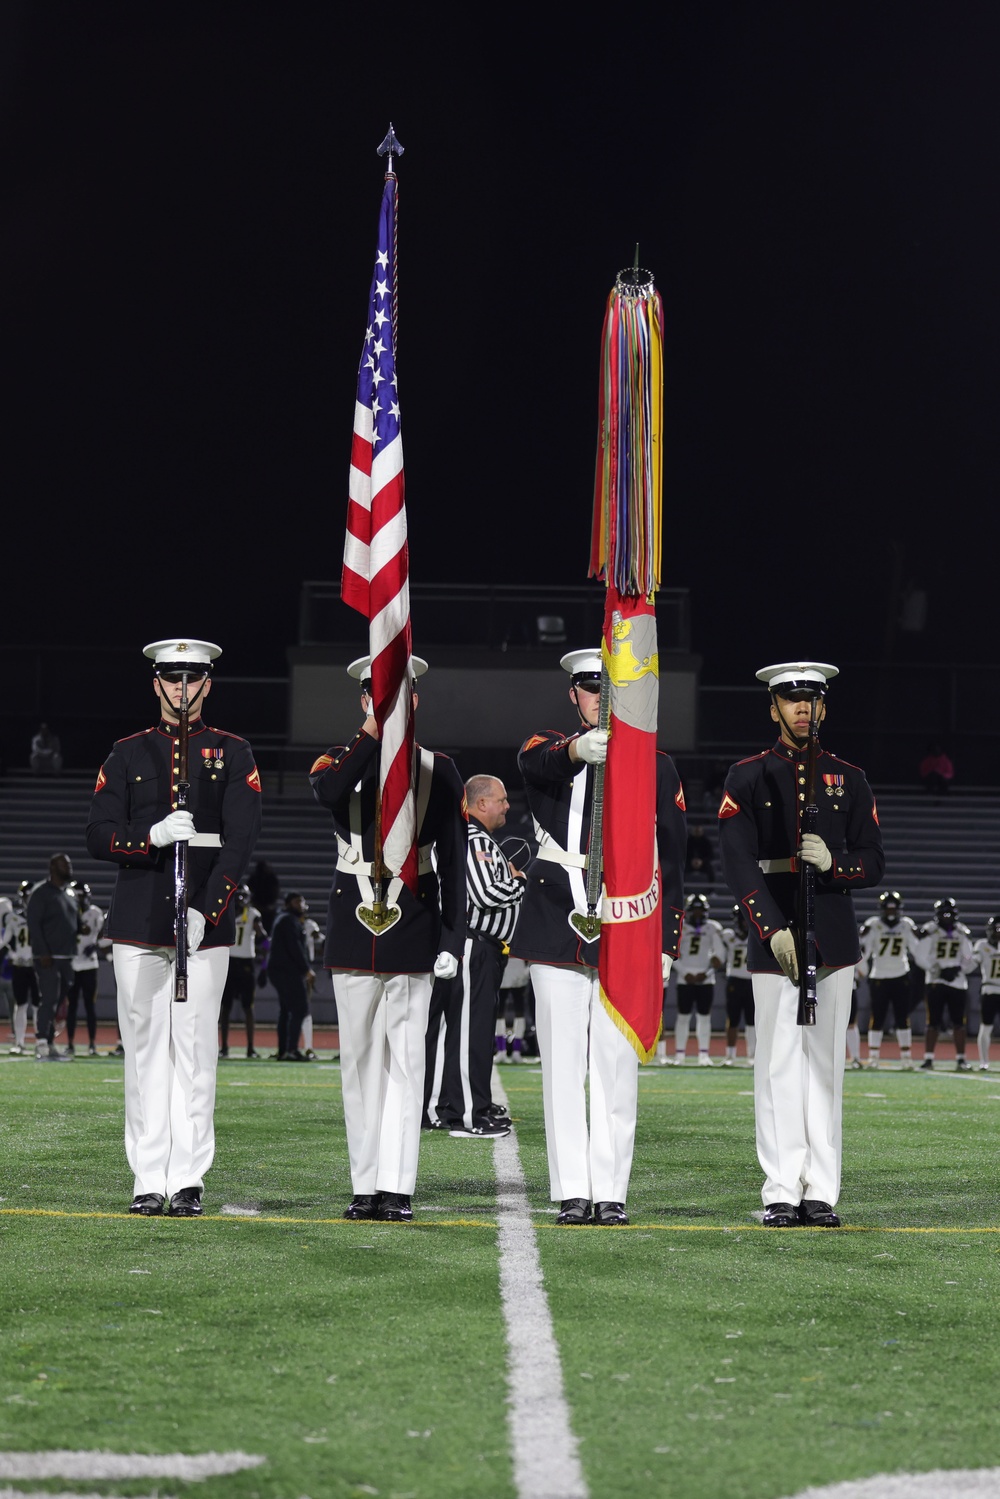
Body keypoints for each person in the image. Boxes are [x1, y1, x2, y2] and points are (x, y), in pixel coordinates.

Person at [86, 637, 262, 1217]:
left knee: (193, 1053)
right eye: (171, 678)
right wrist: (151, 836)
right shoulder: (127, 753)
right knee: (143, 1053)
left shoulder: (233, 752)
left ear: (208, 684)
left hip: (201, 926)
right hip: (138, 921)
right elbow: (98, 834)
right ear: (155, 683)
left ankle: (188, 1178)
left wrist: (205, 911)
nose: (182, 689)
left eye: (192, 680)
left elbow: (239, 845)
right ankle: (147, 1177)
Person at [511, 648, 686, 1227]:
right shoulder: (547, 748)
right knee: (563, 1064)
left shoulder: (656, 765)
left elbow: (676, 859)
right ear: (574, 696)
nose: (601, 700)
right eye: (591, 690)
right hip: (556, 916)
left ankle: (611, 1190)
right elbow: (534, 766)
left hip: (627, 920)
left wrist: (667, 940)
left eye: (610, 689)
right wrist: (577, 750)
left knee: (616, 1064)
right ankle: (572, 1191)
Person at [718, 661, 884, 1229]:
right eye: (792, 701)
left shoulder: (849, 777)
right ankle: (781, 1189)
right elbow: (737, 860)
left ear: (823, 707)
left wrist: (835, 863)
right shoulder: (748, 775)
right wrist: (771, 926)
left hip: (833, 937)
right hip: (776, 938)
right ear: (774, 709)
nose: (803, 709)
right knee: (778, 1064)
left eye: (811, 700)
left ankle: (822, 1191)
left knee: (824, 1068)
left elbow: (875, 860)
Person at [310, 655, 467, 1224]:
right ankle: (364, 1182)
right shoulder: (337, 759)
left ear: (416, 700)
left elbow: (453, 862)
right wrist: (374, 733)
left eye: (398, 696)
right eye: (374, 696)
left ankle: (397, 1185)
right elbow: (330, 792)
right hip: (355, 924)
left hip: (415, 923)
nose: (387, 703)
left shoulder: (438, 769)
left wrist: (454, 937)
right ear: (362, 703)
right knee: (358, 1064)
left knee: (407, 1062)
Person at [424, 774, 524, 1138]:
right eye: (501, 799)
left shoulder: (470, 837)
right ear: (481, 803)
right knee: (470, 1032)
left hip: (475, 946)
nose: (507, 806)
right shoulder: (473, 838)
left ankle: (441, 1105)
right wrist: (521, 881)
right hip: (473, 945)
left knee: (456, 1030)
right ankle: (467, 1112)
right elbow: (483, 893)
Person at [858, 890, 921, 1069]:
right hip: (879, 976)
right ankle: (873, 1057)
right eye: (888, 909)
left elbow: (917, 951)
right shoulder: (873, 924)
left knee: (903, 1018)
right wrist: (862, 969)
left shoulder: (906, 925)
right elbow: (864, 951)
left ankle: (907, 1057)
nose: (891, 913)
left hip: (901, 975)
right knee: (877, 1017)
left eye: (894, 910)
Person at [26, 852, 79, 1060]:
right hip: (49, 956)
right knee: (48, 998)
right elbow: (34, 924)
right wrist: (43, 951)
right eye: (65, 865)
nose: (69, 868)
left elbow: (71, 921)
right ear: (52, 868)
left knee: (59, 1002)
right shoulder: (41, 893)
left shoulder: (68, 893)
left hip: (67, 956)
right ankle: (41, 1043)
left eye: (69, 864)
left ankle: (49, 1041)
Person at [915, 897, 977, 1071]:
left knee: (958, 1022)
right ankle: (928, 1059)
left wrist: (958, 969)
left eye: (950, 913)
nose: (947, 917)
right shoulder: (930, 930)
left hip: (957, 982)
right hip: (936, 980)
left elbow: (969, 958)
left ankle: (961, 1059)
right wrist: (938, 970)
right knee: (932, 1022)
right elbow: (920, 957)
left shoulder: (961, 931)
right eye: (944, 913)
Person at [671, 892, 725, 1065]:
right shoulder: (681, 928)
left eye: (700, 911)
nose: (697, 914)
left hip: (706, 979)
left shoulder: (712, 927)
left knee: (704, 1017)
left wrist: (706, 973)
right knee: (683, 1017)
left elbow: (720, 956)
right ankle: (680, 1054)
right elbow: (672, 954)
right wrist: (684, 972)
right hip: (684, 978)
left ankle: (703, 1054)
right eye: (694, 911)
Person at [269, 892, 314, 1061]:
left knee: (286, 1010)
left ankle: (283, 1050)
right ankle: (291, 1049)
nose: (301, 905)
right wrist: (306, 969)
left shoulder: (284, 919)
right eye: (297, 902)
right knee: (300, 1008)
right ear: (288, 904)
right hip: (287, 971)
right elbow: (294, 947)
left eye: (302, 902)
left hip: (281, 970)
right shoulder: (289, 920)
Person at [220, 883, 263, 1058]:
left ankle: (250, 1047)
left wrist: (265, 965)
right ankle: (224, 1047)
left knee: (248, 1007)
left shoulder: (253, 914)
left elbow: (264, 938)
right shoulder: (226, 912)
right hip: (230, 962)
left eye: (242, 896)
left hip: (246, 963)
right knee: (226, 1007)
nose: (240, 900)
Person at [66, 881, 104, 1056]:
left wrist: (95, 945)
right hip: (73, 964)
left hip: (89, 965)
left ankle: (91, 1044)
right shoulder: (68, 912)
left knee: (90, 1005)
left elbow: (103, 935)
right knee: (71, 1006)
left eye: (81, 895)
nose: (80, 899)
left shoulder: (95, 912)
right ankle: (70, 1043)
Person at [6, 882, 38, 1055]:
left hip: (36, 966)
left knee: (38, 1005)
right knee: (21, 1005)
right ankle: (19, 1042)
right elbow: (5, 942)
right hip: (20, 966)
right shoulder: (14, 918)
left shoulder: (41, 917)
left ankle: (41, 1042)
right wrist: (11, 954)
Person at [722, 904, 756, 1065]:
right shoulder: (728, 935)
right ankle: (730, 1055)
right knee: (732, 1019)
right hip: (734, 979)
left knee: (752, 1020)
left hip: (751, 980)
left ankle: (752, 1055)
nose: (744, 922)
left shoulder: (755, 936)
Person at [974, 917, 1000, 1071]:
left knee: (985, 1028)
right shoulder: (982, 945)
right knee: (985, 1027)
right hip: (989, 990)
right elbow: (973, 962)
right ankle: (984, 1061)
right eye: (996, 930)